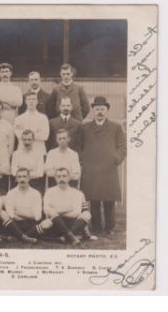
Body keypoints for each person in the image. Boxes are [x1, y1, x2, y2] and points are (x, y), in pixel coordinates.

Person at [78, 96, 126, 236]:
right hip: (91, 168)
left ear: (107, 110)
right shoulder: (85, 128)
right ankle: (97, 227)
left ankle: (109, 227)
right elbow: (79, 146)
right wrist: (83, 159)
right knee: (94, 199)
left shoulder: (115, 127)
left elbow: (122, 147)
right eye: (97, 109)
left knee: (109, 199)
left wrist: (116, 158)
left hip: (108, 168)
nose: (100, 112)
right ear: (93, 110)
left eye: (102, 109)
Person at [43, 167, 94, 245]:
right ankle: (71, 237)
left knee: (87, 214)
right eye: (59, 176)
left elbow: (76, 213)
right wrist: (69, 208)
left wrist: (56, 210)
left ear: (69, 177)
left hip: (72, 224)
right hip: (55, 223)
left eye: (64, 176)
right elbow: (46, 210)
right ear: (55, 178)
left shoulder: (77, 193)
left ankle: (65, 237)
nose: (61, 179)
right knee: (52, 216)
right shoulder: (49, 192)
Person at [0, 168, 50, 243]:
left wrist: (18, 212)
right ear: (16, 179)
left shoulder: (35, 193)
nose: (22, 179)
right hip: (15, 225)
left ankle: (18, 237)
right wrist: (27, 215)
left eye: (24, 176)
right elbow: (11, 215)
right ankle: (26, 238)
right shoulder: (11, 193)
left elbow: (37, 217)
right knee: (2, 214)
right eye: (19, 177)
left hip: (31, 225)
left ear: (29, 178)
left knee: (48, 223)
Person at [14, 91, 49, 156]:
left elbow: (45, 136)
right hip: (23, 152)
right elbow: (19, 135)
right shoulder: (19, 119)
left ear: (37, 101)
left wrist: (26, 132)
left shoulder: (43, 118)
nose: (31, 101)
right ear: (25, 101)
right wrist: (37, 132)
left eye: (33, 99)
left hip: (39, 152)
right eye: (29, 99)